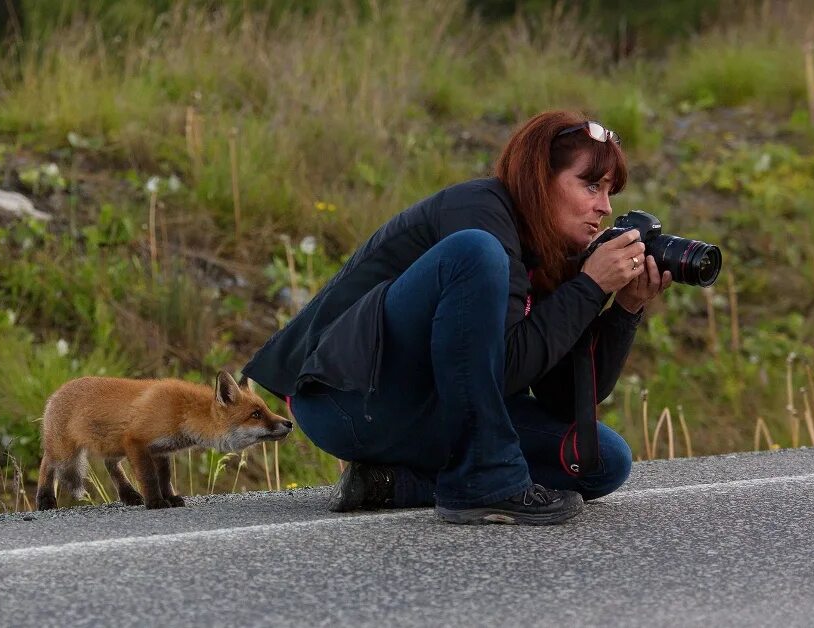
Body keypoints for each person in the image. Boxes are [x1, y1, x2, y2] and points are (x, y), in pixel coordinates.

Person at [242, 110, 672, 526]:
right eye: (592, 185)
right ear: (540, 181)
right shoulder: (479, 209)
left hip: (433, 410)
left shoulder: (547, 251)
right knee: (475, 250)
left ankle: (395, 485)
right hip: (347, 401)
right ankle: (485, 482)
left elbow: (562, 398)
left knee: (598, 460)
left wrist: (624, 309)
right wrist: (589, 287)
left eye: (610, 192)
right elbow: (502, 368)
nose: (604, 207)